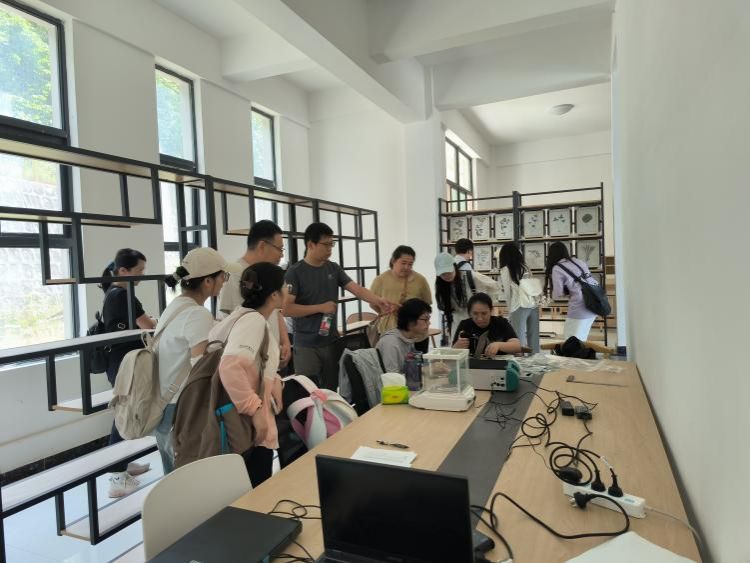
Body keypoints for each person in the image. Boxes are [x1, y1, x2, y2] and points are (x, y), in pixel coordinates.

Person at [284, 222, 395, 390]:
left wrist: (379, 300)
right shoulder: (295, 272)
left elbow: (357, 289)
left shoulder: (333, 268)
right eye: (326, 245)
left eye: (332, 244)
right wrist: (320, 308)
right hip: (306, 345)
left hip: (330, 341)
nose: (330, 249)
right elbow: (287, 309)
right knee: (308, 392)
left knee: (332, 390)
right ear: (311, 244)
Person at [210, 263, 285, 487]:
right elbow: (230, 366)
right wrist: (256, 411)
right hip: (247, 427)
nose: (288, 290)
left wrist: (274, 380)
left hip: (237, 420)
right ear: (274, 295)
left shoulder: (239, 316)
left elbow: (249, 365)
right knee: (253, 493)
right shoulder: (253, 321)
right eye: (285, 286)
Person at [156, 247, 227, 474]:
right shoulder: (197, 314)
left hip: (165, 403)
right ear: (208, 281)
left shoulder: (176, 307)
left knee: (174, 476)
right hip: (183, 408)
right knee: (188, 476)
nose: (224, 282)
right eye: (222, 277)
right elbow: (201, 367)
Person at [100, 249, 157, 498]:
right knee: (124, 415)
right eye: (139, 271)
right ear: (123, 271)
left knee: (124, 413)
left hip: (120, 361)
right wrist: (153, 321)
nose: (142, 275)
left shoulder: (113, 292)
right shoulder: (123, 295)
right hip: (125, 363)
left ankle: (122, 463)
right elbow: (148, 325)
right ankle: (116, 476)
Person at [218, 220, 291, 369]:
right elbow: (234, 326)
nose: (281, 255)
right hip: (249, 364)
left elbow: (276, 311)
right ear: (262, 246)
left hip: (269, 359)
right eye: (279, 249)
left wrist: (285, 341)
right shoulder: (234, 274)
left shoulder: (269, 274)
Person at [369, 245, 432, 352]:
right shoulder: (380, 280)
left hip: (416, 333)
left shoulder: (420, 280)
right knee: (392, 360)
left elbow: (427, 304)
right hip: (390, 331)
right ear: (393, 261)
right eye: (403, 263)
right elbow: (373, 303)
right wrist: (386, 311)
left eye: (410, 264)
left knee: (418, 360)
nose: (406, 267)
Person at [434, 251, 500, 346]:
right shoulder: (441, 286)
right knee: (459, 350)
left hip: (476, 320)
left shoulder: (470, 276)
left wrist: (487, 307)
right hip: (457, 324)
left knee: (479, 348)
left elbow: (494, 286)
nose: (447, 275)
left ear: (454, 267)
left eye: (449, 271)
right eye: (443, 274)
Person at [545, 241, 598, 341]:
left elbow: (558, 294)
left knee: (571, 341)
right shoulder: (579, 262)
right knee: (581, 339)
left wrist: (567, 292)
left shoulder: (557, 268)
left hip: (579, 307)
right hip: (594, 304)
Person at [498, 243, 540, 353]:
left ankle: (519, 361)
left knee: (518, 338)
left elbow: (508, 293)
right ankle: (536, 359)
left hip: (518, 306)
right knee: (534, 338)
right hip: (533, 305)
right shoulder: (525, 267)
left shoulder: (505, 269)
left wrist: (510, 310)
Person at [452, 293, 521, 356]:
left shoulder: (501, 322)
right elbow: (452, 351)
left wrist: (499, 345)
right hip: (472, 365)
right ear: (470, 313)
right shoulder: (464, 325)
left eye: (484, 313)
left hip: (499, 365)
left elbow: (517, 346)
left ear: (491, 311)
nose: (480, 318)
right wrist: (456, 348)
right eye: (475, 313)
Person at [376, 298, 432, 373]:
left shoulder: (409, 338)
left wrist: (430, 367)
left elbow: (415, 366)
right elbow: (392, 376)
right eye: (425, 319)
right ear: (410, 320)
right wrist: (428, 369)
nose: (429, 323)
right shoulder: (390, 343)